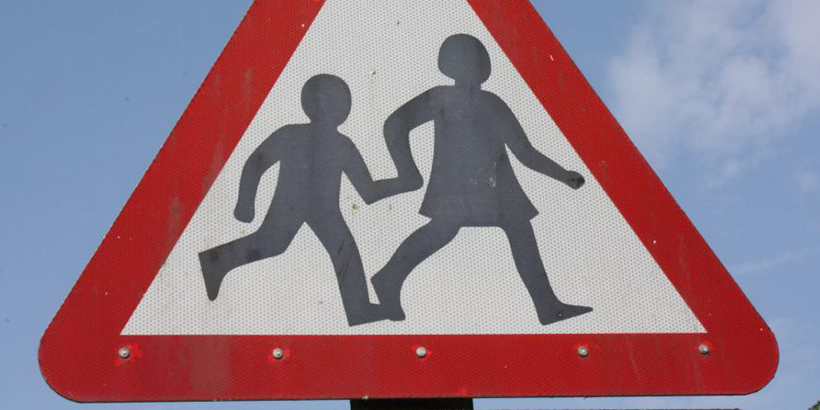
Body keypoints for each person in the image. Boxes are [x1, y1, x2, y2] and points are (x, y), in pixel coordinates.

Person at [371, 34, 592, 325]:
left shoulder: (491, 102)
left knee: (513, 229)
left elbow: (524, 151)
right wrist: (407, 171)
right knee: (444, 230)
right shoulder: (440, 97)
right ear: (452, 65)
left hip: (496, 185)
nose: (477, 67)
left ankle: (547, 306)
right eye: (471, 60)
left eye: (479, 60)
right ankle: (388, 278)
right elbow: (395, 124)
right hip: (457, 186)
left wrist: (562, 175)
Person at [198, 74, 405, 326]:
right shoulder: (292, 134)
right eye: (329, 101)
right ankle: (216, 260)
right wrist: (245, 203)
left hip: (325, 211)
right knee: (273, 243)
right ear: (310, 104)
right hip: (290, 204)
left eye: (341, 102)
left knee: (343, 251)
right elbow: (256, 163)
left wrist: (402, 183)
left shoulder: (343, 145)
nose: (336, 108)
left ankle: (359, 309)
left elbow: (368, 191)